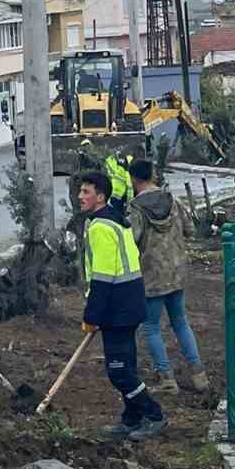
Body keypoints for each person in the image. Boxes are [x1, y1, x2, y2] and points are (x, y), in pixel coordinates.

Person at [78, 169, 165, 441]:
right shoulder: (116, 220)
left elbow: (103, 276)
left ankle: (153, 414)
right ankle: (131, 418)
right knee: (126, 365)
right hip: (129, 302)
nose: (80, 196)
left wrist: (92, 314)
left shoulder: (101, 227)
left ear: (100, 196)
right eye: (80, 191)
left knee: (119, 371)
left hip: (117, 306)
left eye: (86, 192)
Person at [127, 158, 209, 395]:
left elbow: (132, 239)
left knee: (151, 327)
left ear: (133, 178)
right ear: (152, 175)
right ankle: (199, 374)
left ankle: (166, 378)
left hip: (151, 275)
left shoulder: (136, 207)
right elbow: (190, 229)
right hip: (176, 271)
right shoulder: (172, 200)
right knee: (180, 322)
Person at [79, 138, 133, 221]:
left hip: (113, 196)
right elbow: (129, 189)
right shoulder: (123, 170)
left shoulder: (112, 163)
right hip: (116, 196)